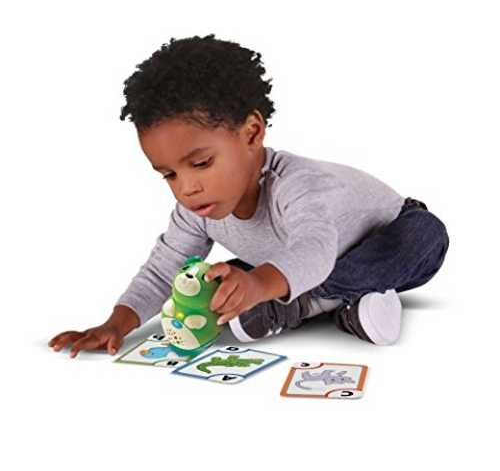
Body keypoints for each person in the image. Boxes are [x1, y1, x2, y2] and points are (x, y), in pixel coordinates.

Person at [48, 34, 449, 358]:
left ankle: (301, 305)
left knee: (425, 236)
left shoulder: (294, 185)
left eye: (201, 163)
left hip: (391, 231)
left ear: (252, 134)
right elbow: (162, 269)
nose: (187, 187)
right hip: (299, 264)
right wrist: (116, 324)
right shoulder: (196, 208)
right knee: (216, 276)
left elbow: (315, 249)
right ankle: (350, 309)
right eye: (168, 174)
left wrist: (258, 285)